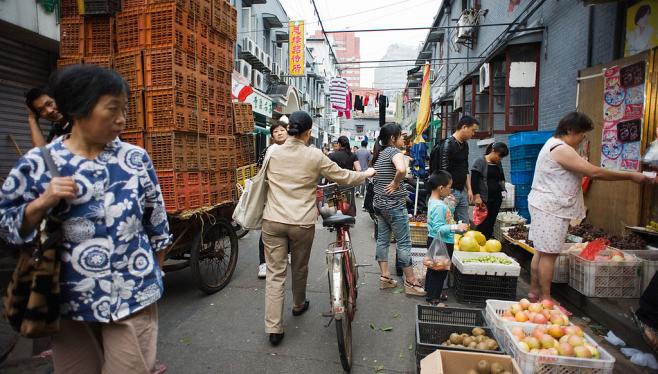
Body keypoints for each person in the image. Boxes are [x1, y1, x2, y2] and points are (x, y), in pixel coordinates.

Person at [0, 64, 170, 373]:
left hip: (133, 295)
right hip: (69, 299)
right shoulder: (39, 163)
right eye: (112, 109)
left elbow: (156, 220)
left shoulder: (135, 158)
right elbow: (7, 225)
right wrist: (42, 202)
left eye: (125, 109)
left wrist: (154, 271)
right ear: (79, 110)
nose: (122, 119)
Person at [261, 111, 375, 346]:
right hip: (301, 221)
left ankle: (274, 328)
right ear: (309, 132)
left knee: (275, 274)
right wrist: (366, 174)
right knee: (300, 267)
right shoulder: (314, 155)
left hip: (272, 219)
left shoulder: (272, 152)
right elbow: (343, 177)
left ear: (288, 128)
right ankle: (298, 304)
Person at [528, 111, 654, 306]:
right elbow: (594, 172)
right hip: (551, 207)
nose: (582, 139)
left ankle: (535, 293)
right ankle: (545, 297)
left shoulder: (552, 144)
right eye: (581, 134)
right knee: (549, 254)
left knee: (542, 251)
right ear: (570, 130)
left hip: (544, 205)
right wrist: (630, 176)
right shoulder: (561, 148)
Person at [372, 123, 426, 296]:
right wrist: (396, 183)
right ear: (393, 139)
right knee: (404, 243)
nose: (404, 139)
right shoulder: (394, 152)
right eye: (401, 136)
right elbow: (401, 169)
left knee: (383, 240)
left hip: (380, 205)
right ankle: (411, 282)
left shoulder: (380, 154)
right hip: (394, 205)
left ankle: (385, 277)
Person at [425, 171, 468, 304]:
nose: (451, 190)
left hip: (436, 240)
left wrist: (448, 206)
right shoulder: (438, 206)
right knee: (439, 272)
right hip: (441, 241)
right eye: (449, 187)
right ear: (441, 188)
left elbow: (443, 219)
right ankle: (434, 299)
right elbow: (439, 228)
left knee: (434, 269)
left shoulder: (435, 201)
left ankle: (431, 292)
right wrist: (456, 228)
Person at [255, 122, 288, 279]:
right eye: (276, 131)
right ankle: (263, 263)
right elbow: (259, 171)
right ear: (272, 135)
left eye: (282, 130)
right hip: (271, 195)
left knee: (289, 225)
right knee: (266, 229)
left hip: (289, 195)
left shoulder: (293, 150)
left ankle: (287, 252)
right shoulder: (267, 151)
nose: (280, 133)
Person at [431, 116, 478, 223]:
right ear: (465, 127)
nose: (473, 134)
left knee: (464, 223)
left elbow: (465, 168)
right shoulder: (448, 144)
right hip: (450, 192)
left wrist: (469, 189)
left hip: (462, 191)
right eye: (473, 130)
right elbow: (443, 170)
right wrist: (448, 192)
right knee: (447, 222)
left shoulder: (465, 145)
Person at [471, 142, 509, 239]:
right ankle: (478, 243)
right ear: (493, 151)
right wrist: (477, 196)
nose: (500, 159)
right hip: (484, 199)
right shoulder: (480, 161)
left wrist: (503, 189)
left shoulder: (498, 163)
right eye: (499, 156)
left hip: (496, 198)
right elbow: (474, 180)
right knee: (482, 223)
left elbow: (501, 178)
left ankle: (487, 243)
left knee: (491, 223)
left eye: (502, 157)